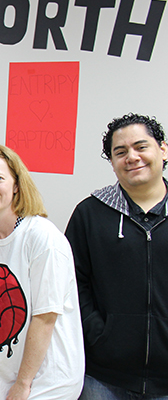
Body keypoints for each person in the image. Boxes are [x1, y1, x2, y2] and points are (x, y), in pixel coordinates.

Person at [0, 144, 83, 399]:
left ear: (16, 185)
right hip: (3, 373)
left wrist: (23, 384)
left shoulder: (42, 238)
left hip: (47, 380)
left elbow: (45, 318)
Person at [65, 113, 168, 399]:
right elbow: (72, 283)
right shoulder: (90, 214)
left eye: (141, 147)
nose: (131, 157)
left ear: (163, 150)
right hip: (103, 375)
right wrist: (98, 334)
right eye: (120, 152)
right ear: (112, 162)